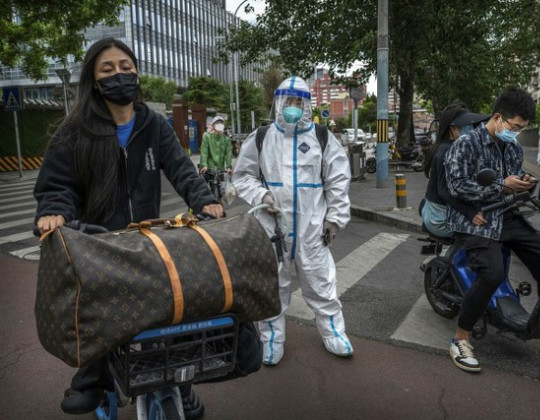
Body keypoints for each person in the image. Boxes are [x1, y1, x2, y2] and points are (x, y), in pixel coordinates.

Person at [33, 37, 226, 418]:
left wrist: (204, 200)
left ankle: (181, 382)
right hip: (97, 245)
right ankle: (93, 379)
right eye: (108, 70)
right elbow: (57, 185)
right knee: (101, 315)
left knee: (174, 308)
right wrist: (53, 213)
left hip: (147, 240)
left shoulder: (154, 124)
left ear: (136, 72)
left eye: (125, 66)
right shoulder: (74, 131)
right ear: (94, 81)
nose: (119, 75)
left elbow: (182, 168)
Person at [444, 87, 540, 373]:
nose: (515, 133)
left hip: (507, 215)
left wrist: (524, 183)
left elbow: (511, 184)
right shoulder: (466, 144)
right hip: (476, 219)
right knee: (492, 274)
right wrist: (501, 185)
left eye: (521, 129)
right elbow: (456, 186)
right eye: (513, 127)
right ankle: (460, 338)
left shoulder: (513, 147)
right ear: (498, 117)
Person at [232, 76, 353, 365]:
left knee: (320, 281)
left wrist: (334, 220)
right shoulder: (262, 138)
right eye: (289, 102)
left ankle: (334, 331)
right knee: (273, 283)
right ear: (278, 103)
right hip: (272, 226)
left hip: (312, 228)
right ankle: (271, 340)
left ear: (307, 104)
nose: (293, 108)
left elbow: (338, 181)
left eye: (299, 102)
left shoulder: (322, 138)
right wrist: (263, 196)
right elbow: (242, 176)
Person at [421, 103, 489, 238]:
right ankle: (455, 259)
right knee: (487, 233)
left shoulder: (453, 146)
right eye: (467, 126)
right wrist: (470, 213)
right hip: (439, 218)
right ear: (453, 128)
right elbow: (445, 191)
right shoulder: (447, 150)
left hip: (441, 210)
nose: (472, 129)